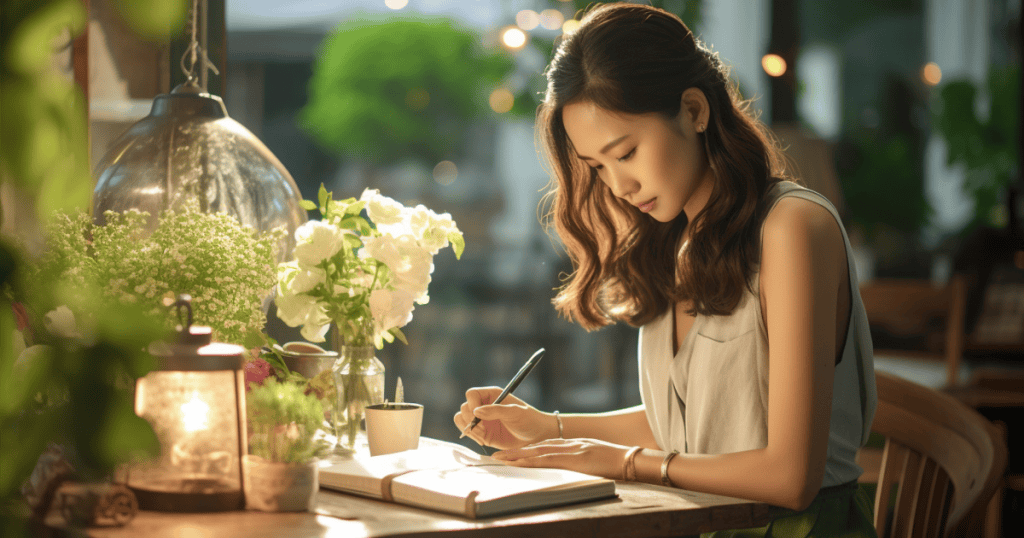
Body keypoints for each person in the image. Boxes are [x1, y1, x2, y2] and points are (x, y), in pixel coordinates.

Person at [453, 3, 878, 537]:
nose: (618, 187)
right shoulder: (674, 242)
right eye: (597, 167)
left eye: (625, 152)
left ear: (695, 110)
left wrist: (622, 462)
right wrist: (548, 429)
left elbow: (791, 476)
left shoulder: (792, 227)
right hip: (691, 521)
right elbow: (693, 427)